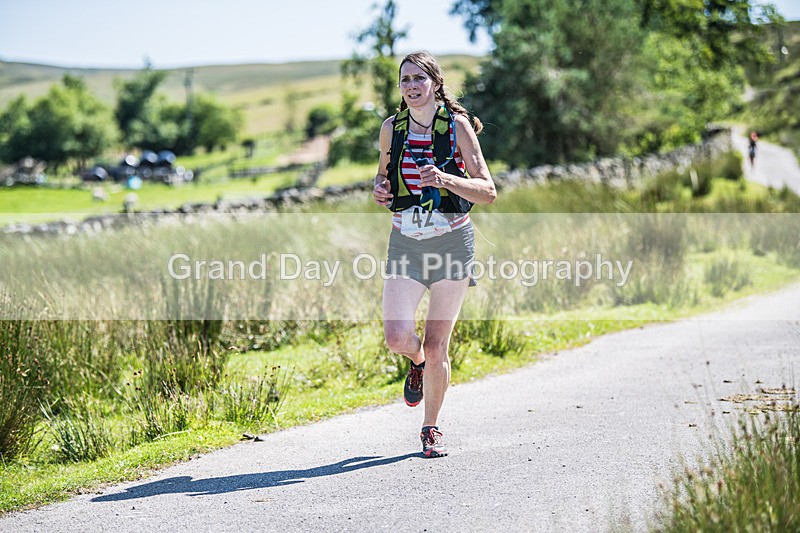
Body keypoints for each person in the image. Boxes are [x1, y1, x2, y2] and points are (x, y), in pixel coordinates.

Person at [372, 51, 496, 458]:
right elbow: (382, 176)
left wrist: (445, 178)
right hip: (405, 242)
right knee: (397, 337)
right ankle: (416, 363)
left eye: (418, 79)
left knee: (438, 342)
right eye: (404, 79)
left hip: (451, 245)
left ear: (436, 83)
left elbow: (487, 190)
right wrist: (380, 191)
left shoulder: (457, 125)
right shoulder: (393, 128)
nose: (410, 86)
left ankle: (430, 428)